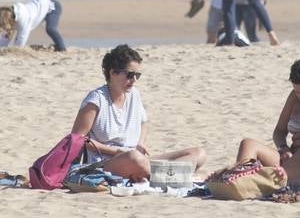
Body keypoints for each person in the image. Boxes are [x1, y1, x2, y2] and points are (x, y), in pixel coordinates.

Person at [69, 44, 207, 181]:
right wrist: (116, 152)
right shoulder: (96, 100)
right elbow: (78, 139)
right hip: (105, 162)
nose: (133, 80)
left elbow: (144, 122)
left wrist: (141, 143)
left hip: (136, 157)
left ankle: (168, 175)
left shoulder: (134, 94)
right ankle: (176, 176)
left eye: (137, 75)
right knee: (134, 158)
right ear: (112, 73)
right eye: (130, 75)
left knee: (198, 153)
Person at [0, 0, 66, 51]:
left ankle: (62, 48)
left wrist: (16, 50)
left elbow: (21, 39)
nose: (2, 28)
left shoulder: (24, 18)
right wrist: (0, 49)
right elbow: (6, 36)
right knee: (9, 31)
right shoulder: (10, 15)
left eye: (2, 25)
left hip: (52, 7)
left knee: (50, 29)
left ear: (7, 21)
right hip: (39, 6)